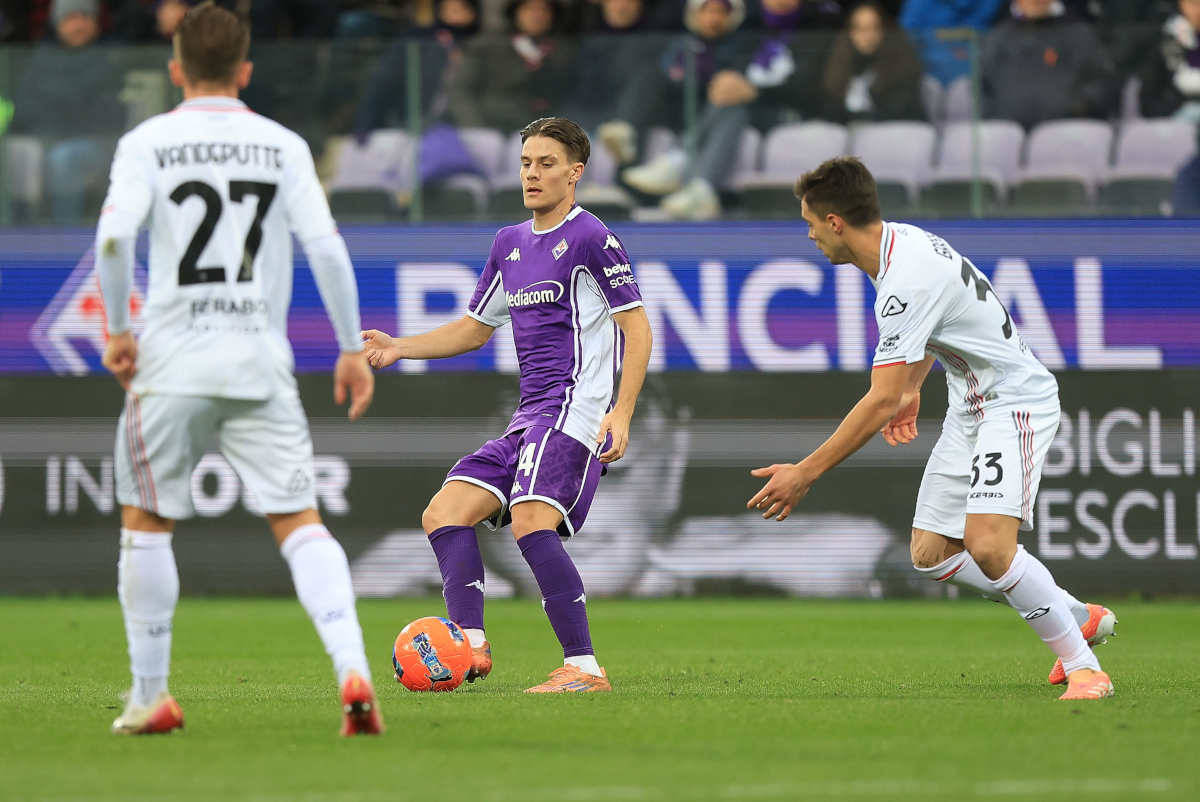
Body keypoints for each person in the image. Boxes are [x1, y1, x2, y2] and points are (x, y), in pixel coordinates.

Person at [95, 2, 382, 736]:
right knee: (300, 520)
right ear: (245, 71)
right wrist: (351, 347)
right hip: (258, 358)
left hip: (171, 360)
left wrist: (120, 332)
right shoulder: (282, 145)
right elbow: (327, 249)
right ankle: (352, 668)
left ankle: (151, 697)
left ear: (175, 70)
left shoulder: (146, 142)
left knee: (147, 521)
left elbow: (114, 240)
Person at [748, 157, 1117, 701]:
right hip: (970, 404)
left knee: (989, 545)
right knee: (932, 553)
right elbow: (937, 325)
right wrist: (915, 383)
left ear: (835, 222)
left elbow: (879, 400)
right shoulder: (903, 242)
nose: (808, 235)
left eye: (809, 222)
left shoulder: (903, 282)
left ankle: (1085, 669)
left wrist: (805, 472)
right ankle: (1075, 615)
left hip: (1013, 403)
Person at [360, 117, 653, 693]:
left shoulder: (592, 237)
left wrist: (621, 413)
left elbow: (637, 329)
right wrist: (400, 347)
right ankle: (469, 646)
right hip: (528, 418)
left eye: (547, 163)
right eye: (525, 163)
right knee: (444, 513)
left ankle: (584, 668)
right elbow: (475, 329)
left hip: (573, 413)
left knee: (530, 520)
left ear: (575, 172)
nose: (532, 174)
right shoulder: (509, 244)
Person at [611, 0, 751, 219]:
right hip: (679, 112)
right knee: (648, 77)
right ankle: (625, 130)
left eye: (720, 12)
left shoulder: (743, 45)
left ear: (732, 17)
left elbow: (747, 83)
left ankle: (683, 170)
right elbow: (667, 76)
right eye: (707, 11)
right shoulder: (681, 45)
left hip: (717, 113)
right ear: (695, 15)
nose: (713, 18)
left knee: (729, 103)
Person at [10, 0, 125, 224]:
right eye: (70, 18)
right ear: (58, 24)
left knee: (64, 158)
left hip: (97, 143)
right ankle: (19, 228)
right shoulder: (40, 56)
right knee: (16, 154)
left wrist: (57, 95)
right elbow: (25, 107)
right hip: (45, 138)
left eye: (85, 17)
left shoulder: (112, 56)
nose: (78, 25)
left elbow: (107, 112)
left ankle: (65, 232)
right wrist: (68, 98)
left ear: (96, 24)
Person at [980, 0, 1118, 129]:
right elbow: (981, 90)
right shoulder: (996, 40)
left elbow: (1103, 84)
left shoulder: (1079, 35)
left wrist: (1078, 107)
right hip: (1007, 137)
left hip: (1068, 135)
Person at [447, 0, 577, 131]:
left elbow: (573, 97)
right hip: (493, 126)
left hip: (547, 129)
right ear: (515, 12)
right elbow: (461, 91)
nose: (537, 15)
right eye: (529, 9)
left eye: (544, 10)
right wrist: (476, 128)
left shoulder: (565, 50)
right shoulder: (487, 46)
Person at [820, 1, 925, 124]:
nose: (867, 36)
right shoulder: (839, 70)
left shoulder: (901, 72)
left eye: (874, 27)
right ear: (849, 32)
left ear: (884, 30)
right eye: (859, 28)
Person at [1139, 0, 1200, 120]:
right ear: (1182, 4)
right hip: (1173, 110)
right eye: (1194, 4)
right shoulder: (1170, 36)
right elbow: (1181, 80)